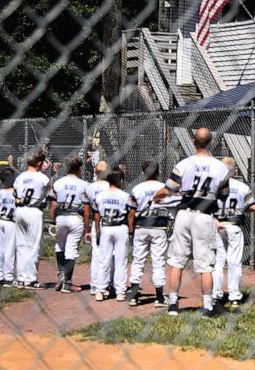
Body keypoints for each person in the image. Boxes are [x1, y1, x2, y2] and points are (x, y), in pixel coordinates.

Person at [153, 127, 230, 317]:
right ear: (210, 142)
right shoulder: (221, 167)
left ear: (193, 142)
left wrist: (157, 196)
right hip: (204, 215)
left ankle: (172, 305)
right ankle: (207, 306)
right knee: (205, 265)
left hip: (184, 214)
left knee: (177, 261)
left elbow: (168, 189)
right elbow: (224, 195)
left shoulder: (184, 164)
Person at [213, 158, 255, 309]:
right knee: (234, 261)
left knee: (218, 261)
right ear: (234, 170)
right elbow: (253, 206)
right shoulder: (242, 187)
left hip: (218, 224)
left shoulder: (215, 186)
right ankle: (234, 296)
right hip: (234, 225)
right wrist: (241, 209)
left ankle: (216, 295)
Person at [127, 160, 170, 307]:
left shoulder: (137, 188)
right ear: (158, 171)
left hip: (141, 226)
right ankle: (159, 297)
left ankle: (133, 296)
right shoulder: (164, 188)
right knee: (158, 262)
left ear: (143, 172)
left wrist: (131, 231)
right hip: (159, 227)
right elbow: (170, 208)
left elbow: (131, 213)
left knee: (138, 260)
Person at [48, 157, 89, 293]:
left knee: (60, 246)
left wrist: (52, 221)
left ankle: (61, 275)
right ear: (79, 169)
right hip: (76, 217)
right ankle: (67, 282)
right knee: (71, 250)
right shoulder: (84, 184)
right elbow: (86, 207)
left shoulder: (58, 183)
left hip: (61, 216)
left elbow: (53, 205)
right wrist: (87, 226)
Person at [92, 171, 133, 302]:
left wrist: (98, 232)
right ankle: (120, 292)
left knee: (104, 260)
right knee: (121, 261)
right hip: (121, 227)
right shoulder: (125, 196)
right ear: (119, 181)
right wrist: (131, 231)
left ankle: (100, 291)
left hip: (106, 227)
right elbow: (131, 214)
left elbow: (97, 217)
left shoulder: (100, 196)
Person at [13, 151, 51, 290]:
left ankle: (21, 279)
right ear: (40, 163)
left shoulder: (20, 177)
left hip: (20, 211)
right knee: (33, 246)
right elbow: (48, 189)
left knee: (21, 245)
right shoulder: (43, 178)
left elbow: (15, 194)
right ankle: (31, 280)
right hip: (34, 211)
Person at [84, 160, 111, 298]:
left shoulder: (89, 187)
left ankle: (94, 284)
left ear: (95, 172)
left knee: (96, 253)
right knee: (107, 255)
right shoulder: (110, 186)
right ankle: (105, 284)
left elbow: (87, 210)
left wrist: (87, 229)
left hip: (96, 223)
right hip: (109, 222)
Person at [0, 168, 18, 286]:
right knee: (9, 250)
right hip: (11, 223)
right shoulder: (16, 193)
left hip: (0, 221)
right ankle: (8, 277)